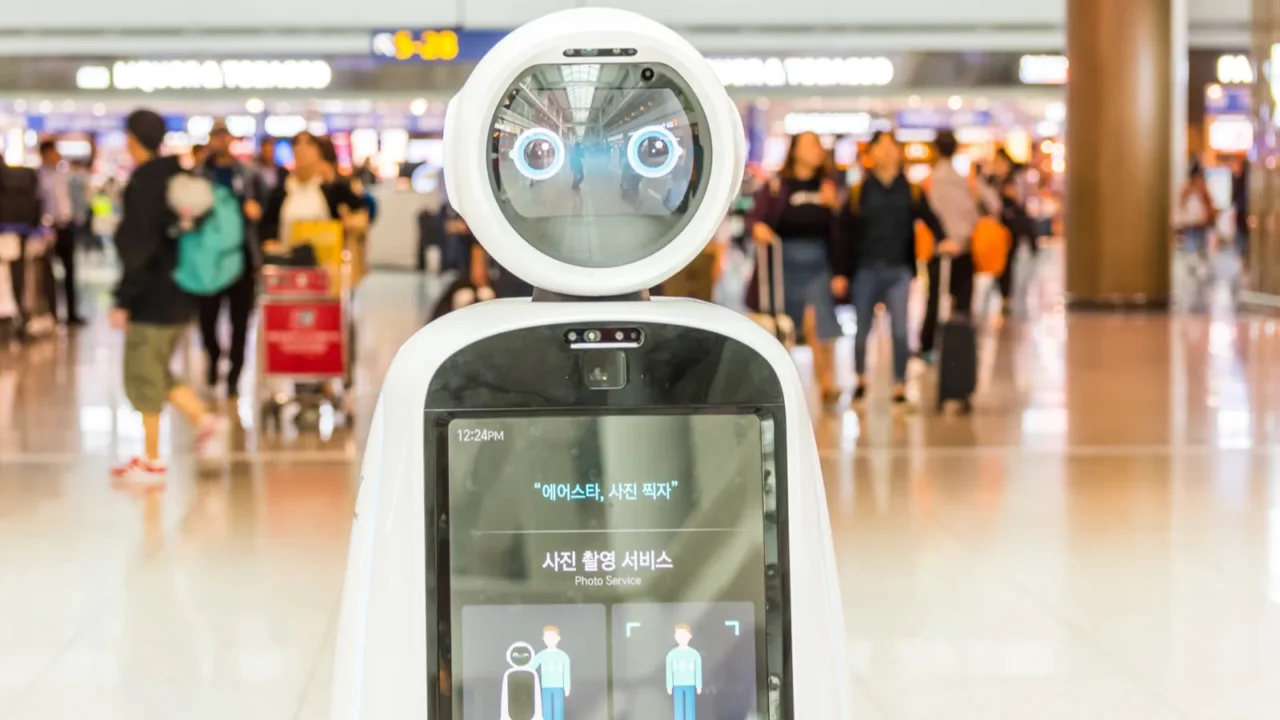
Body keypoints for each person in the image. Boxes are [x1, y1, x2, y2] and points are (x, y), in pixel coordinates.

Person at [110, 109, 225, 482]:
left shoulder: (145, 182)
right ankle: (204, 420)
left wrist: (124, 298)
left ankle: (153, 457)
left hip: (151, 296)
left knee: (143, 374)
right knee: (157, 369)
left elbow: (137, 248)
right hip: (184, 289)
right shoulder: (179, 175)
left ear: (132, 138)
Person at [833, 130, 947, 405]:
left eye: (890, 146)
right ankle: (860, 378)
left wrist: (944, 240)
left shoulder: (911, 189)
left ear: (899, 152)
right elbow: (844, 234)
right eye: (879, 147)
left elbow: (930, 218)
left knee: (899, 330)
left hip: (899, 271)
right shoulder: (859, 192)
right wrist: (841, 272)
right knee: (861, 331)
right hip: (865, 270)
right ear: (870, 154)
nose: (885, 151)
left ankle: (899, 382)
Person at [746, 131, 841, 401]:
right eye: (810, 143)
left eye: (818, 144)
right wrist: (760, 229)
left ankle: (826, 384)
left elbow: (841, 228)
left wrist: (834, 205)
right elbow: (755, 218)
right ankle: (781, 382)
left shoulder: (827, 185)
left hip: (818, 261)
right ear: (795, 150)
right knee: (784, 324)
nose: (817, 149)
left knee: (820, 322)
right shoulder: (778, 185)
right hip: (783, 262)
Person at [196, 121, 263, 398]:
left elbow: (264, 209)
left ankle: (235, 374)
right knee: (207, 319)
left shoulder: (247, 174)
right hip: (208, 259)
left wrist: (254, 212)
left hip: (241, 257)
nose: (220, 141)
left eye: (224, 135)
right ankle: (214, 358)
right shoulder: (200, 174)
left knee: (240, 321)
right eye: (215, 135)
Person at [923, 131, 1001, 343]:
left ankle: (929, 346)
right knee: (963, 304)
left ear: (935, 150)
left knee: (935, 302)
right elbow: (994, 205)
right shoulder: (967, 181)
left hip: (939, 250)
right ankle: (961, 347)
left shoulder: (929, 182)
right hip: (966, 248)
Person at [259, 131, 369, 252]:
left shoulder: (332, 188)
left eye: (308, 144)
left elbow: (362, 210)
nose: (301, 149)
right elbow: (266, 228)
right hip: (288, 261)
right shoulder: (282, 190)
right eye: (297, 144)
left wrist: (349, 223)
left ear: (319, 152)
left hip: (327, 262)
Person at [37, 140, 85, 326]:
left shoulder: (63, 175)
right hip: (48, 228)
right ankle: (51, 313)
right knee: (47, 273)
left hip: (67, 226)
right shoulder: (39, 176)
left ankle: (72, 313)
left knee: (70, 271)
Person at [1176, 163, 1217, 268]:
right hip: (1190, 229)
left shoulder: (1204, 192)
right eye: (1196, 177)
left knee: (1202, 255)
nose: (1198, 180)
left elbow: (1210, 211)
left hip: (1202, 229)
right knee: (1191, 255)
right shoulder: (1186, 192)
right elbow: (1181, 210)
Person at [530, 625, 571, 720]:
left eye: (552, 637)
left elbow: (566, 672)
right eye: (547, 637)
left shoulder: (563, 656)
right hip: (545, 687)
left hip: (559, 687)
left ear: (558, 638)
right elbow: (531, 667)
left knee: (558, 710)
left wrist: (567, 688)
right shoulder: (541, 655)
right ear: (544, 639)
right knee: (547, 709)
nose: (550, 640)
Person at [665, 624, 702, 720]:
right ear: (675, 637)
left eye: (684, 635)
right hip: (677, 685)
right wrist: (669, 686)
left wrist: (698, 685)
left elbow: (698, 670)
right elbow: (669, 671)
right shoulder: (672, 654)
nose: (681, 638)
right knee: (679, 706)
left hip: (690, 684)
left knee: (690, 706)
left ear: (690, 636)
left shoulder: (694, 654)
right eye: (679, 635)